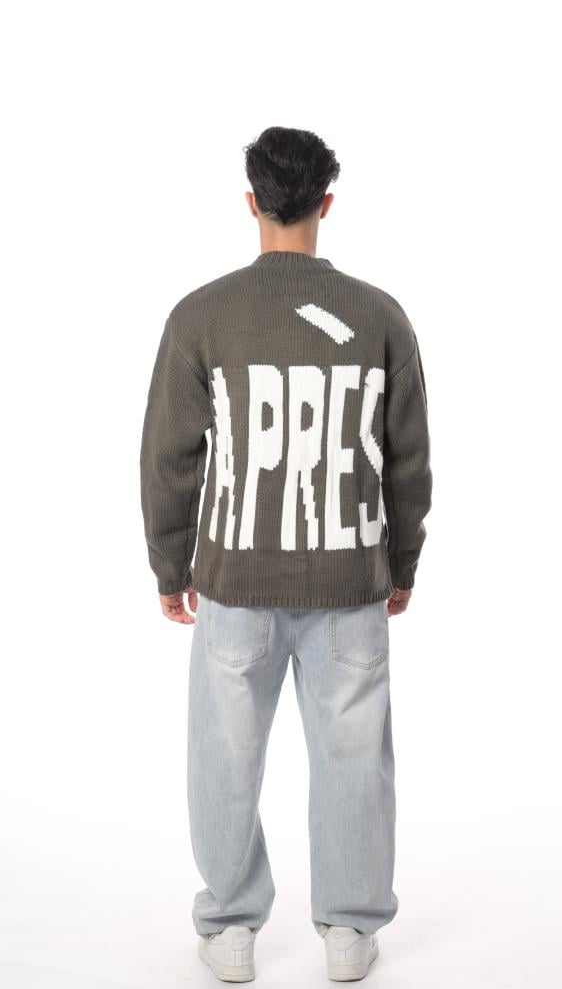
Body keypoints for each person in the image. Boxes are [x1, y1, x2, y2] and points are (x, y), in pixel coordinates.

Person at [139, 125, 433, 983]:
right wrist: (402, 561)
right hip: (350, 577)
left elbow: (169, 456)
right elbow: (409, 459)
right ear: (326, 204)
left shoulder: (201, 316)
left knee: (224, 759)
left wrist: (169, 565)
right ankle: (349, 928)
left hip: (235, 578)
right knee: (354, 758)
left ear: (252, 202)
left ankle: (230, 924)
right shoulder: (379, 316)